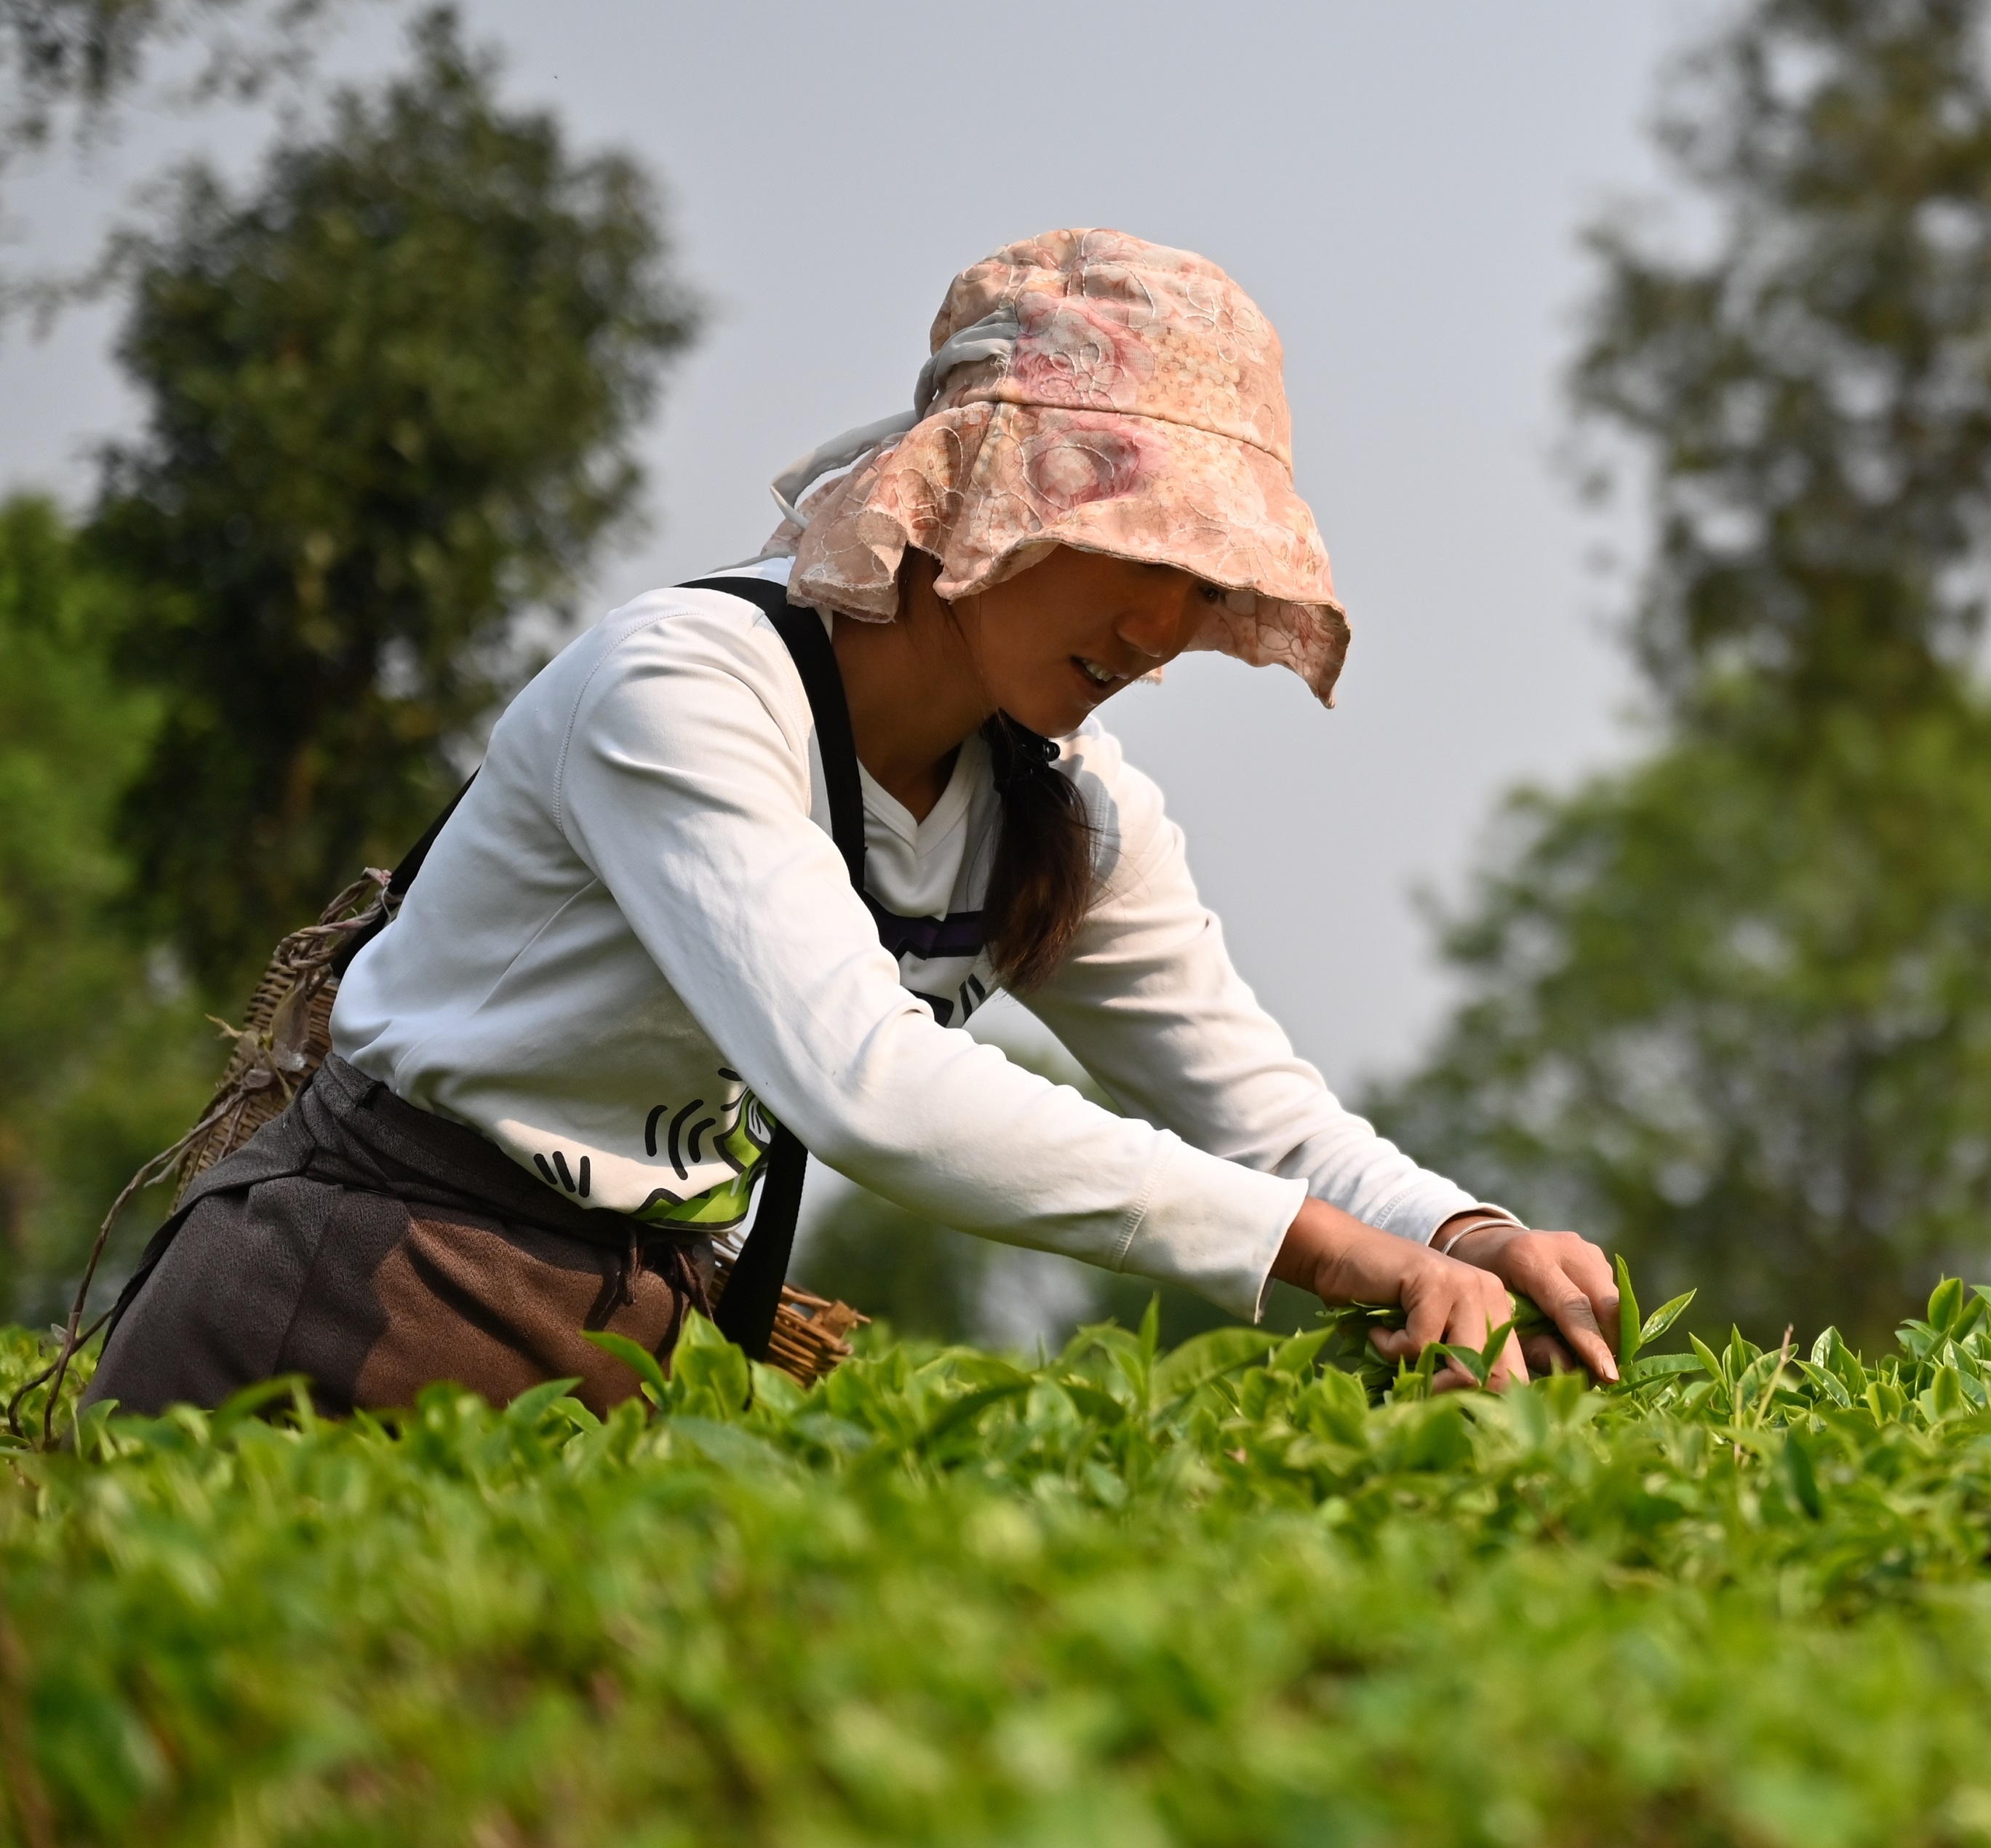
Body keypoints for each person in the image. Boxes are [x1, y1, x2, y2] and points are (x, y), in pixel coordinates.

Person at [95, 228, 1619, 1415]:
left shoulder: (1062, 805)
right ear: (977, 493)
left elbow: (1248, 1098)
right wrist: (1330, 1252)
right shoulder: (686, 691)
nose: (1164, 623)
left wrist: (1464, 1231)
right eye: (1125, 542)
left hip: (634, 1323)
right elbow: (866, 1086)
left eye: (1205, 577)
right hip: (367, 1282)